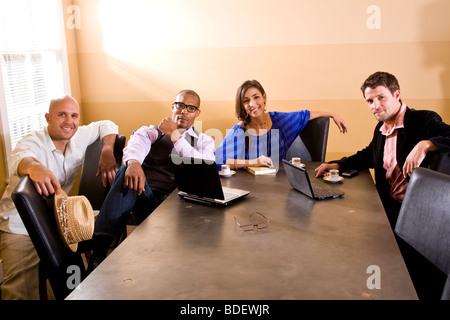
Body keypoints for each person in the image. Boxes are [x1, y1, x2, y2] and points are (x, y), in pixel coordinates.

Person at [314, 71, 450, 299]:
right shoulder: (381, 128)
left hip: (420, 220)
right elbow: (370, 155)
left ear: (396, 94)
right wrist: (336, 163)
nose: (375, 105)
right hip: (390, 211)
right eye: (369, 101)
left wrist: (426, 144)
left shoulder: (422, 120)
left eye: (381, 97)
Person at [0, 95, 119, 300]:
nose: (68, 121)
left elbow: (107, 124)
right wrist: (34, 166)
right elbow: (20, 158)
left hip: (59, 218)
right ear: (48, 117)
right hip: (21, 225)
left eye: (74, 116)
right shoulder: (32, 141)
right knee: (20, 290)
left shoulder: (78, 135)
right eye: (61, 115)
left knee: (110, 221)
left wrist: (107, 150)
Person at [88, 89, 215, 272]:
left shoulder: (204, 141)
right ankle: (98, 255)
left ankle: (100, 248)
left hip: (179, 208)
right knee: (126, 171)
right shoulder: (151, 132)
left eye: (191, 108)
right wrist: (133, 163)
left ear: (197, 113)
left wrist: (175, 136)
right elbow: (135, 145)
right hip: (146, 200)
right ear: (173, 107)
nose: (184, 111)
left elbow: (203, 167)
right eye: (180, 105)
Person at [215, 80, 347, 170]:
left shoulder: (279, 120)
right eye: (246, 101)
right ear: (242, 106)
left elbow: (304, 115)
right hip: (249, 187)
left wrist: (332, 114)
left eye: (256, 97)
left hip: (278, 185)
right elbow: (218, 160)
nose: (252, 104)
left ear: (264, 98)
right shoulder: (239, 131)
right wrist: (255, 162)